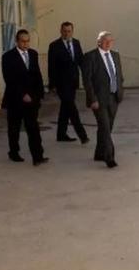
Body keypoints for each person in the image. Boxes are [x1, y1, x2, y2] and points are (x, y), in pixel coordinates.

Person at [1, 29, 49, 166]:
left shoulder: (33, 54)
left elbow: (37, 75)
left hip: (32, 99)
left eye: (28, 41)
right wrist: (22, 94)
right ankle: (14, 152)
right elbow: (9, 79)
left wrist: (40, 94)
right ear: (17, 41)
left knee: (33, 128)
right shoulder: (8, 57)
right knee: (14, 128)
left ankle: (38, 156)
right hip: (15, 99)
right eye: (23, 41)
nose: (26, 44)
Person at [83, 31, 124, 169]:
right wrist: (92, 99)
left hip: (114, 98)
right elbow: (87, 81)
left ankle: (99, 153)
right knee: (105, 127)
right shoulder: (90, 57)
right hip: (98, 100)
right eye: (105, 41)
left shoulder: (115, 55)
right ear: (98, 42)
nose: (108, 43)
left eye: (110, 41)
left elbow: (119, 75)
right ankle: (109, 158)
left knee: (107, 127)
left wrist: (120, 91)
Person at [48, 22, 89, 144]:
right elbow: (51, 66)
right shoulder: (54, 46)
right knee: (71, 107)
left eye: (69, 31)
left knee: (65, 107)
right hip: (61, 83)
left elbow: (80, 60)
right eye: (64, 31)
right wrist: (52, 84)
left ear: (72, 31)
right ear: (61, 31)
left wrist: (88, 77)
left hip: (73, 81)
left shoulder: (76, 43)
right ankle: (82, 135)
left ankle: (61, 134)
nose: (67, 33)